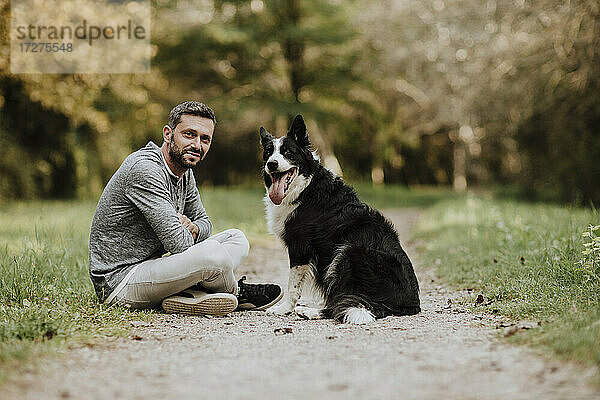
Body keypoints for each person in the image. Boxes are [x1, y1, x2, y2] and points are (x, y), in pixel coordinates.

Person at [88, 101, 282, 316]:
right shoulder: (145, 169)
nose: (197, 145)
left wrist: (193, 228)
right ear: (168, 134)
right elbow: (177, 244)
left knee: (237, 239)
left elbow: (204, 222)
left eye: (205, 139)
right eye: (189, 134)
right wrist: (183, 232)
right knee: (213, 254)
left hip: (154, 268)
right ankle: (236, 293)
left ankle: (191, 294)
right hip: (120, 282)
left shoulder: (184, 171)